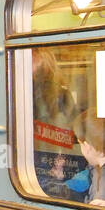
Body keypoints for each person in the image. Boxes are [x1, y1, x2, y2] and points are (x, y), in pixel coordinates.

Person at [32, 48, 81, 198]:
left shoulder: (58, 95)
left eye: (31, 60)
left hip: (50, 167)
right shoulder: (25, 91)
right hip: (45, 166)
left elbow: (73, 136)